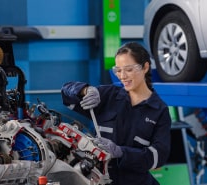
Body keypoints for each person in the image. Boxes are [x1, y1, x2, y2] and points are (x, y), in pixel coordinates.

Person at [60, 42, 171, 185]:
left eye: (129, 69)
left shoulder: (159, 111)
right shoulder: (108, 96)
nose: (122, 76)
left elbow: (158, 157)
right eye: (118, 70)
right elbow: (66, 92)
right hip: (100, 180)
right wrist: (85, 90)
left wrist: (121, 152)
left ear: (145, 67)